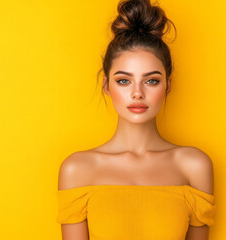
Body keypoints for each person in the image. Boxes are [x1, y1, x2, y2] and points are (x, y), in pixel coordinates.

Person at [55, 0, 217, 239]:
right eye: (124, 80)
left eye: (151, 80)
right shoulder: (77, 169)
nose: (137, 93)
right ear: (107, 86)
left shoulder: (194, 166)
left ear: (168, 85)